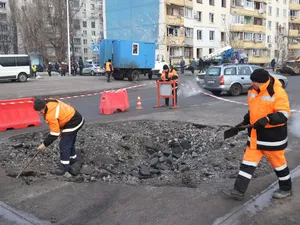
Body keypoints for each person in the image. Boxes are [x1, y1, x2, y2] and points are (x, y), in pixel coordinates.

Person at [223, 69, 292, 200]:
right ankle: (238, 191)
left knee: (279, 165)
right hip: (255, 137)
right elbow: (255, 109)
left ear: (263, 82)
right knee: (247, 164)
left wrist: (267, 119)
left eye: (255, 82)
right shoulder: (252, 91)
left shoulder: (278, 92)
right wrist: (247, 119)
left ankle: (286, 188)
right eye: (252, 81)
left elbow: (284, 115)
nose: (252, 83)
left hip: (272, 139)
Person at [33, 98, 85, 175]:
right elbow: (59, 118)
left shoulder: (50, 115)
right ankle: (73, 159)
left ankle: (64, 167)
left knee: (64, 145)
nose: (39, 112)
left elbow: (54, 134)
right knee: (69, 141)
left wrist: (44, 144)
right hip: (76, 117)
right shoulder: (50, 101)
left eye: (40, 110)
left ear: (44, 106)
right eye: (38, 111)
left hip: (73, 122)